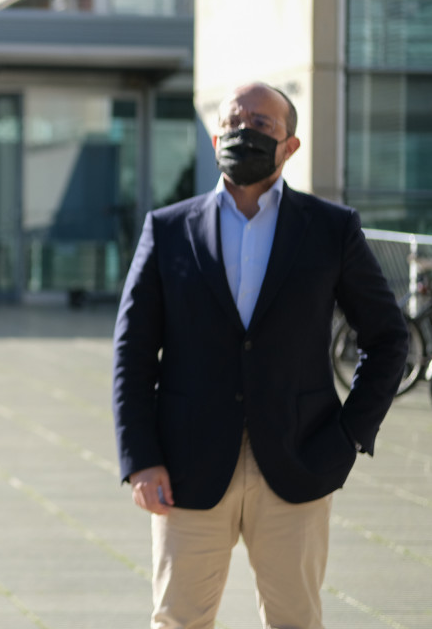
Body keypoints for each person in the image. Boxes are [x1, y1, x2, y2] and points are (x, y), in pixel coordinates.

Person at [111, 82, 407, 628]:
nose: (243, 131)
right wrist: (140, 456)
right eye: (234, 121)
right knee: (178, 620)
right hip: (185, 467)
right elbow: (131, 349)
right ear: (216, 132)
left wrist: (347, 436)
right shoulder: (168, 229)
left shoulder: (330, 229)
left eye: (262, 125)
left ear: (290, 145)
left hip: (299, 461)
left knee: (295, 620)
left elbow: (389, 337)